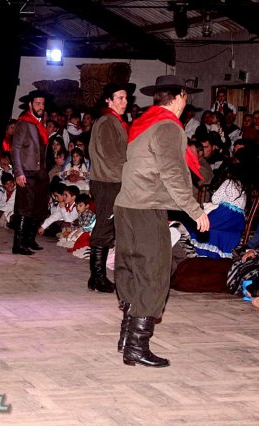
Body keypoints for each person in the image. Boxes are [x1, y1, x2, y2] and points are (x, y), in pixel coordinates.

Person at [114, 75, 209, 367]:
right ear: (179, 97)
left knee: (132, 270)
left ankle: (127, 338)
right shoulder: (168, 127)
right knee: (154, 273)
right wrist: (195, 210)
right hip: (146, 207)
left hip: (127, 205)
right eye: (186, 97)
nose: (186, 102)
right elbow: (172, 173)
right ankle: (136, 346)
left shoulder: (143, 123)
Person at [87, 83, 130, 294]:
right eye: (120, 98)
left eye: (126, 98)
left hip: (112, 180)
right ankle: (97, 277)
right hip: (107, 182)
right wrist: (131, 174)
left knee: (108, 226)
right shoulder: (107, 122)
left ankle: (97, 276)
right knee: (104, 226)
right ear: (108, 100)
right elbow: (113, 156)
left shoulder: (115, 121)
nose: (125, 102)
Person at [11, 89, 51, 255]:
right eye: (37, 103)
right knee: (24, 208)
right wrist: (18, 172)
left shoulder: (41, 124)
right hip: (27, 172)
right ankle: (18, 244)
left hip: (40, 172)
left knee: (39, 208)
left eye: (42, 103)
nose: (40, 106)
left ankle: (29, 239)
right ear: (30, 105)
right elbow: (15, 149)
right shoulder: (24, 123)